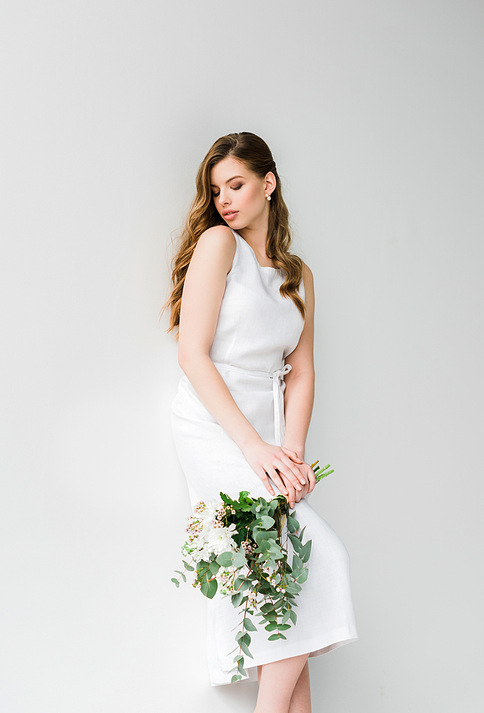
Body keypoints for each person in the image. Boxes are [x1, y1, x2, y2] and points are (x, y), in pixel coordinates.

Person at [166, 132, 357, 713]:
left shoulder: (298, 275)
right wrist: (253, 448)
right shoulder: (219, 244)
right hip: (214, 426)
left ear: (267, 184)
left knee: (282, 582)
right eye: (216, 189)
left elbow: (301, 372)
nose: (224, 199)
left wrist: (292, 453)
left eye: (237, 184)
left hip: (270, 436)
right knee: (317, 555)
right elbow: (192, 354)